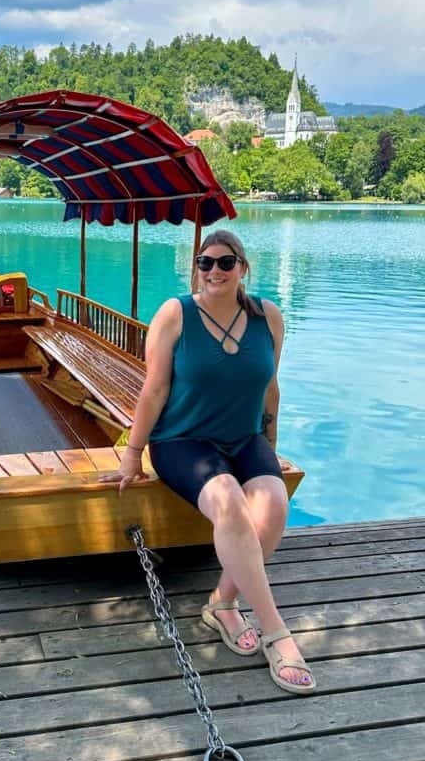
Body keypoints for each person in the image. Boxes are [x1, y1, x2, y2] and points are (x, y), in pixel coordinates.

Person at [100, 229, 315, 695]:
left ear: (243, 267)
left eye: (225, 262)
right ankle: (277, 633)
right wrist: (133, 454)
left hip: (244, 437)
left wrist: (270, 443)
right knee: (229, 502)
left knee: (274, 503)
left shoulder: (267, 317)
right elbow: (154, 389)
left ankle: (222, 601)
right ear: (195, 268)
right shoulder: (176, 314)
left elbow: (269, 385)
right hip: (182, 440)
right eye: (205, 262)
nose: (214, 271)